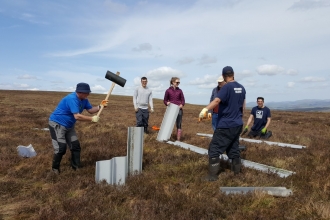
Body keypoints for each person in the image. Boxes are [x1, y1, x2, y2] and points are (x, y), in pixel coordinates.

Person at [48, 82, 108, 174]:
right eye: (87, 92)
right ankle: (55, 169)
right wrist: (92, 119)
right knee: (61, 148)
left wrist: (100, 106)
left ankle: (75, 168)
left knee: (75, 147)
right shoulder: (72, 99)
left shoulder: (84, 100)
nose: (88, 94)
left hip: (69, 126)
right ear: (80, 92)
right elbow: (77, 116)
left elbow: (91, 110)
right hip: (57, 124)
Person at [199, 66, 246, 181]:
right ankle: (237, 173)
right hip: (238, 123)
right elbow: (243, 106)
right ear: (233, 74)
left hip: (226, 124)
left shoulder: (226, 87)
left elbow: (216, 100)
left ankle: (212, 176)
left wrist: (206, 109)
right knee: (233, 148)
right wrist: (240, 118)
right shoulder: (242, 88)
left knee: (214, 149)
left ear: (224, 76)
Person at [163, 77, 185, 141]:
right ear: (173, 82)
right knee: (168, 124)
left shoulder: (180, 91)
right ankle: (166, 137)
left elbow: (183, 100)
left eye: (179, 82)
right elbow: (165, 100)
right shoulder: (168, 90)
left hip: (179, 109)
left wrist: (182, 104)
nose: (178, 83)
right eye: (177, 82)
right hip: (171, 109)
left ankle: (178, 139)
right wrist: (167, 103)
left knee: (179, 124)